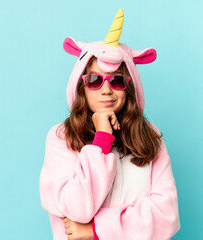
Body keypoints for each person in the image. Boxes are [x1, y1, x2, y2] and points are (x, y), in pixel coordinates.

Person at [39, 9, 180, 240]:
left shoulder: (150, 137)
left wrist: (95, 230)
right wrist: (102, 140)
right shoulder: (61, 137)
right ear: (81, 87)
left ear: (129, 85)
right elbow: (76, 209)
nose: (106, 89)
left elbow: (167, 216)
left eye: (116, 80)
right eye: (94, 80)